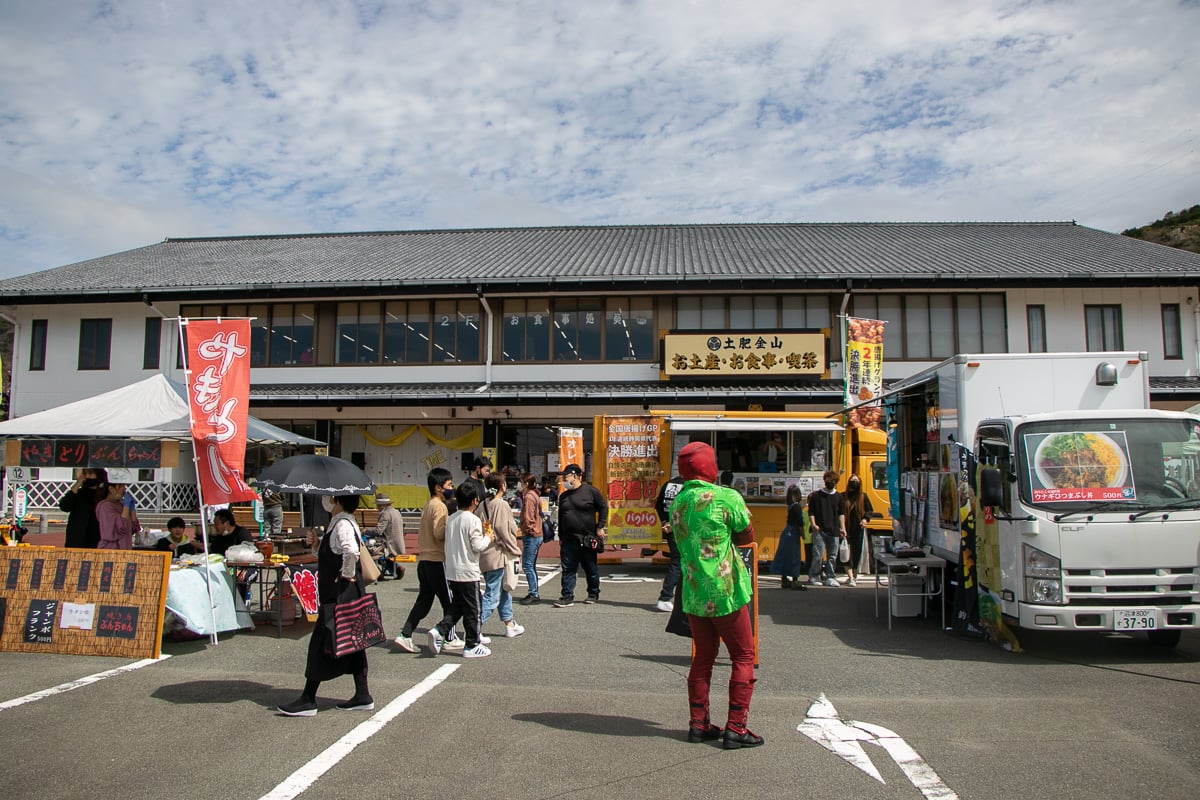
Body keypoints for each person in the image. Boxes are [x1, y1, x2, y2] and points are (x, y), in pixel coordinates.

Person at [670, 441, 761, 749]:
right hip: (726, 591)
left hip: (694, 591)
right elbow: (747, 533)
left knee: (702, 659)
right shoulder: (726, 497)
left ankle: (699, 725)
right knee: (743, 656)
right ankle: (737, 727)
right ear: (710, 467)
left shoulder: (678, 502)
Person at [277, 494, 374, 716]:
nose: (326, 500)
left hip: (339, 593)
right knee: (354, 641)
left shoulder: (342, 523)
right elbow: (337, 553)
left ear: (338, 500)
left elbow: (350, 551)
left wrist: (346, 574)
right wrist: (317, 544)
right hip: (348, 593)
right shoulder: (343, 521)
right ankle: (362, 694)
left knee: (320, 643)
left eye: (329, 497)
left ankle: (308, 698)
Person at [393, 468, 463, 653]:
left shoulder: (429, 505)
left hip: (424, 560)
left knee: (424, 601)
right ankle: (448, 636)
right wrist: (452, 524)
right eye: (449, 484)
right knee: (450, 600)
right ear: (438, 487)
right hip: (437, 559)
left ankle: (405, 634)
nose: (451, 487)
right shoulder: (440, 507)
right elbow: (439, 533)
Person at [429, 482, 493, 658]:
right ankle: (472, 644)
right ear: (475, 501)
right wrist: (488, 537)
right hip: (467, 570)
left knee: (458, 605)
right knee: (473, 608)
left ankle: (440, 629)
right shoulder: (473, 520)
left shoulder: (452, 518)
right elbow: (477, 545)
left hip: (452, 569)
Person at [552, 463, 608, 608]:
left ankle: (593, 593)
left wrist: (600, 526)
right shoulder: (563, 496)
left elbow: (603, 507)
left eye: (566, 476)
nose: (564, 480)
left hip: (587, 538)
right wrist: (561, 536)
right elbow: (561, 515)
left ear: (576, 476)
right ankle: (567, 595)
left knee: (590, 567)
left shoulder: (590, 491)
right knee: (568, 568)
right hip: (569, 539)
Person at [478, 473, 525, 638]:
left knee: (503, 590)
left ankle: (509, 623)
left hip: (485, 553)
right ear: (502, 486)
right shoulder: (501, 505)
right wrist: (515, 550)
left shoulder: (483, 504)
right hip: (498, 555)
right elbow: (504, 531)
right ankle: (474, 629)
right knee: (493, 594)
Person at [808, 469, 846, 588]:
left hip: (834, 530)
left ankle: (831, 576)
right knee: (818, 554)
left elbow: (841, 514)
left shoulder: (839, 497)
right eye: (828, 480)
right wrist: (813, 524)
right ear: (824, 481)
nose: (830, 483)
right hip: (819, 529)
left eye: (833, 481)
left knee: (832, 556)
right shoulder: (816, 496)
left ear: (836, 482)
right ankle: (814, 575)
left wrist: (842, 528)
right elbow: (811, 512)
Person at [653, 474, 685, 612]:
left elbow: (658, 505)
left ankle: (678, 598)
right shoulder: (687, 486)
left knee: (679, 562)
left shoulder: (668, 484)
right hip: (683, 530)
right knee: (679, 562)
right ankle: (665, 597)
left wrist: (666, 522)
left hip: (669, 529)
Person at [59, 467, 106, 549]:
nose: (87, 476)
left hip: (96, 538)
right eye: (85, 474)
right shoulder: (79, 494)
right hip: (77, 538)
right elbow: (64, 506)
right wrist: (78, 484)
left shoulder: (105, 495)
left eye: (90, 473)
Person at [770, 485, 806, 589]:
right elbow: (800, 523)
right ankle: (795, 580)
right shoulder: (797, 507)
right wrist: (803, 535)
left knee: (785, 556)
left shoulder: (790, 506)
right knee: (794, 557)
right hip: (793, 533)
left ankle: (784, 579)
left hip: (787, 532)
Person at [96, 468, 140, 550]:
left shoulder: (121, 505)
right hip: (111, 549)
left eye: (124, 486)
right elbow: (121, 527)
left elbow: (133, 528)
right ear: (111, 489)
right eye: (121, 486)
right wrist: (126, 506)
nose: (124, 489)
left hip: (124, 548)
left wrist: (132, 509)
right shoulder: (105, 506)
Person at [841, 475, 873, 586]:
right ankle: (850, 577)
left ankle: (854, 575)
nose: (854, 482)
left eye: (856, 481)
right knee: (845, 553)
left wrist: (865, 519)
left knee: (857, 553)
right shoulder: (843, 496)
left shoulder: (863, 497)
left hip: (858, 529)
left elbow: (870, 510)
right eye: (852, 480)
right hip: (844, 529)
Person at [517, 473, 544, 605]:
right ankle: (534, 592)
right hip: (537, 534)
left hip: (532, 535)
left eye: (521, 482)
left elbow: (528, 517)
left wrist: (528, 529)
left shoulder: (528, 497)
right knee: (531, 565)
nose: (519, 485)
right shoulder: (535, 494)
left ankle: (533, 593)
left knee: (527, 565)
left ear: (526, 483)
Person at [373, 493, 405, 578]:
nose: (377, 507)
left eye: (378, 505)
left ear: (382, 505)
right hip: (399, 543)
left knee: (372, 553)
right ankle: (398, 568)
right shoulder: (396, 512)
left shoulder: (385, 514)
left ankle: (378, 573)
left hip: (389, 544)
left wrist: (366, 531)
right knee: (382, 556)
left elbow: (378, 531)